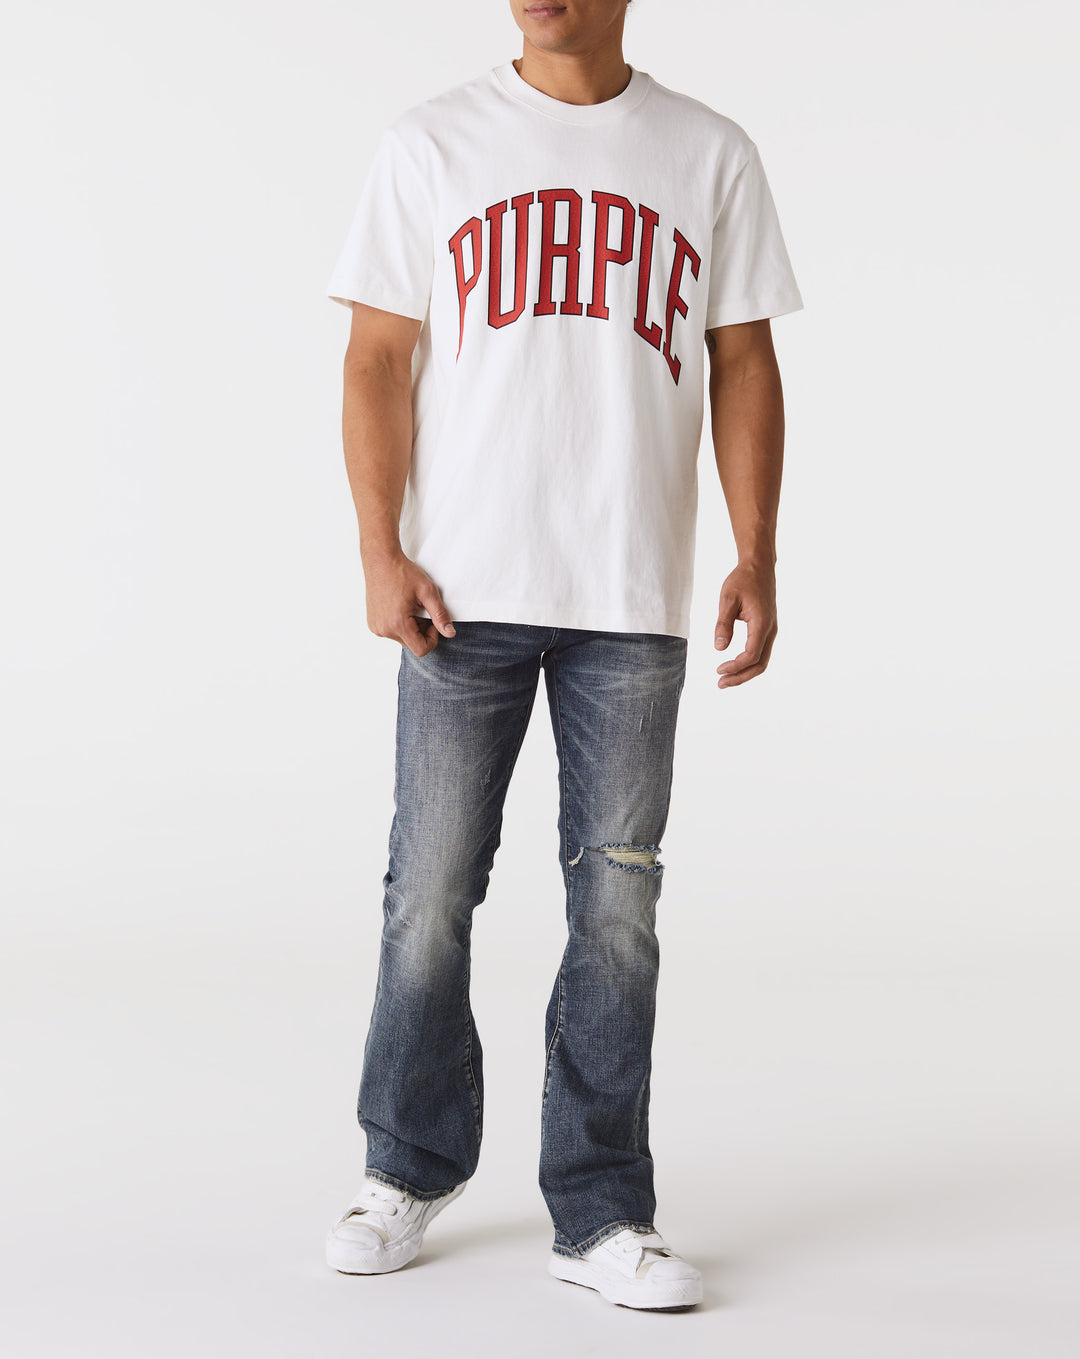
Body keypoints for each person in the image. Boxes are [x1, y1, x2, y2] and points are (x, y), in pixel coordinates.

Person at [321, 0, 802, 1312]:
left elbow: (743, 358)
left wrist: (755, 549)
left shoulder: (707, 151)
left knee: (618, 909)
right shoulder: (431, 143)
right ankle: (405, 1167)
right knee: (428, 891)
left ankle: (599, 1211)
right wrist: (379, 548)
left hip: (629, 591)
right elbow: (376, 356)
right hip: (458, 590)